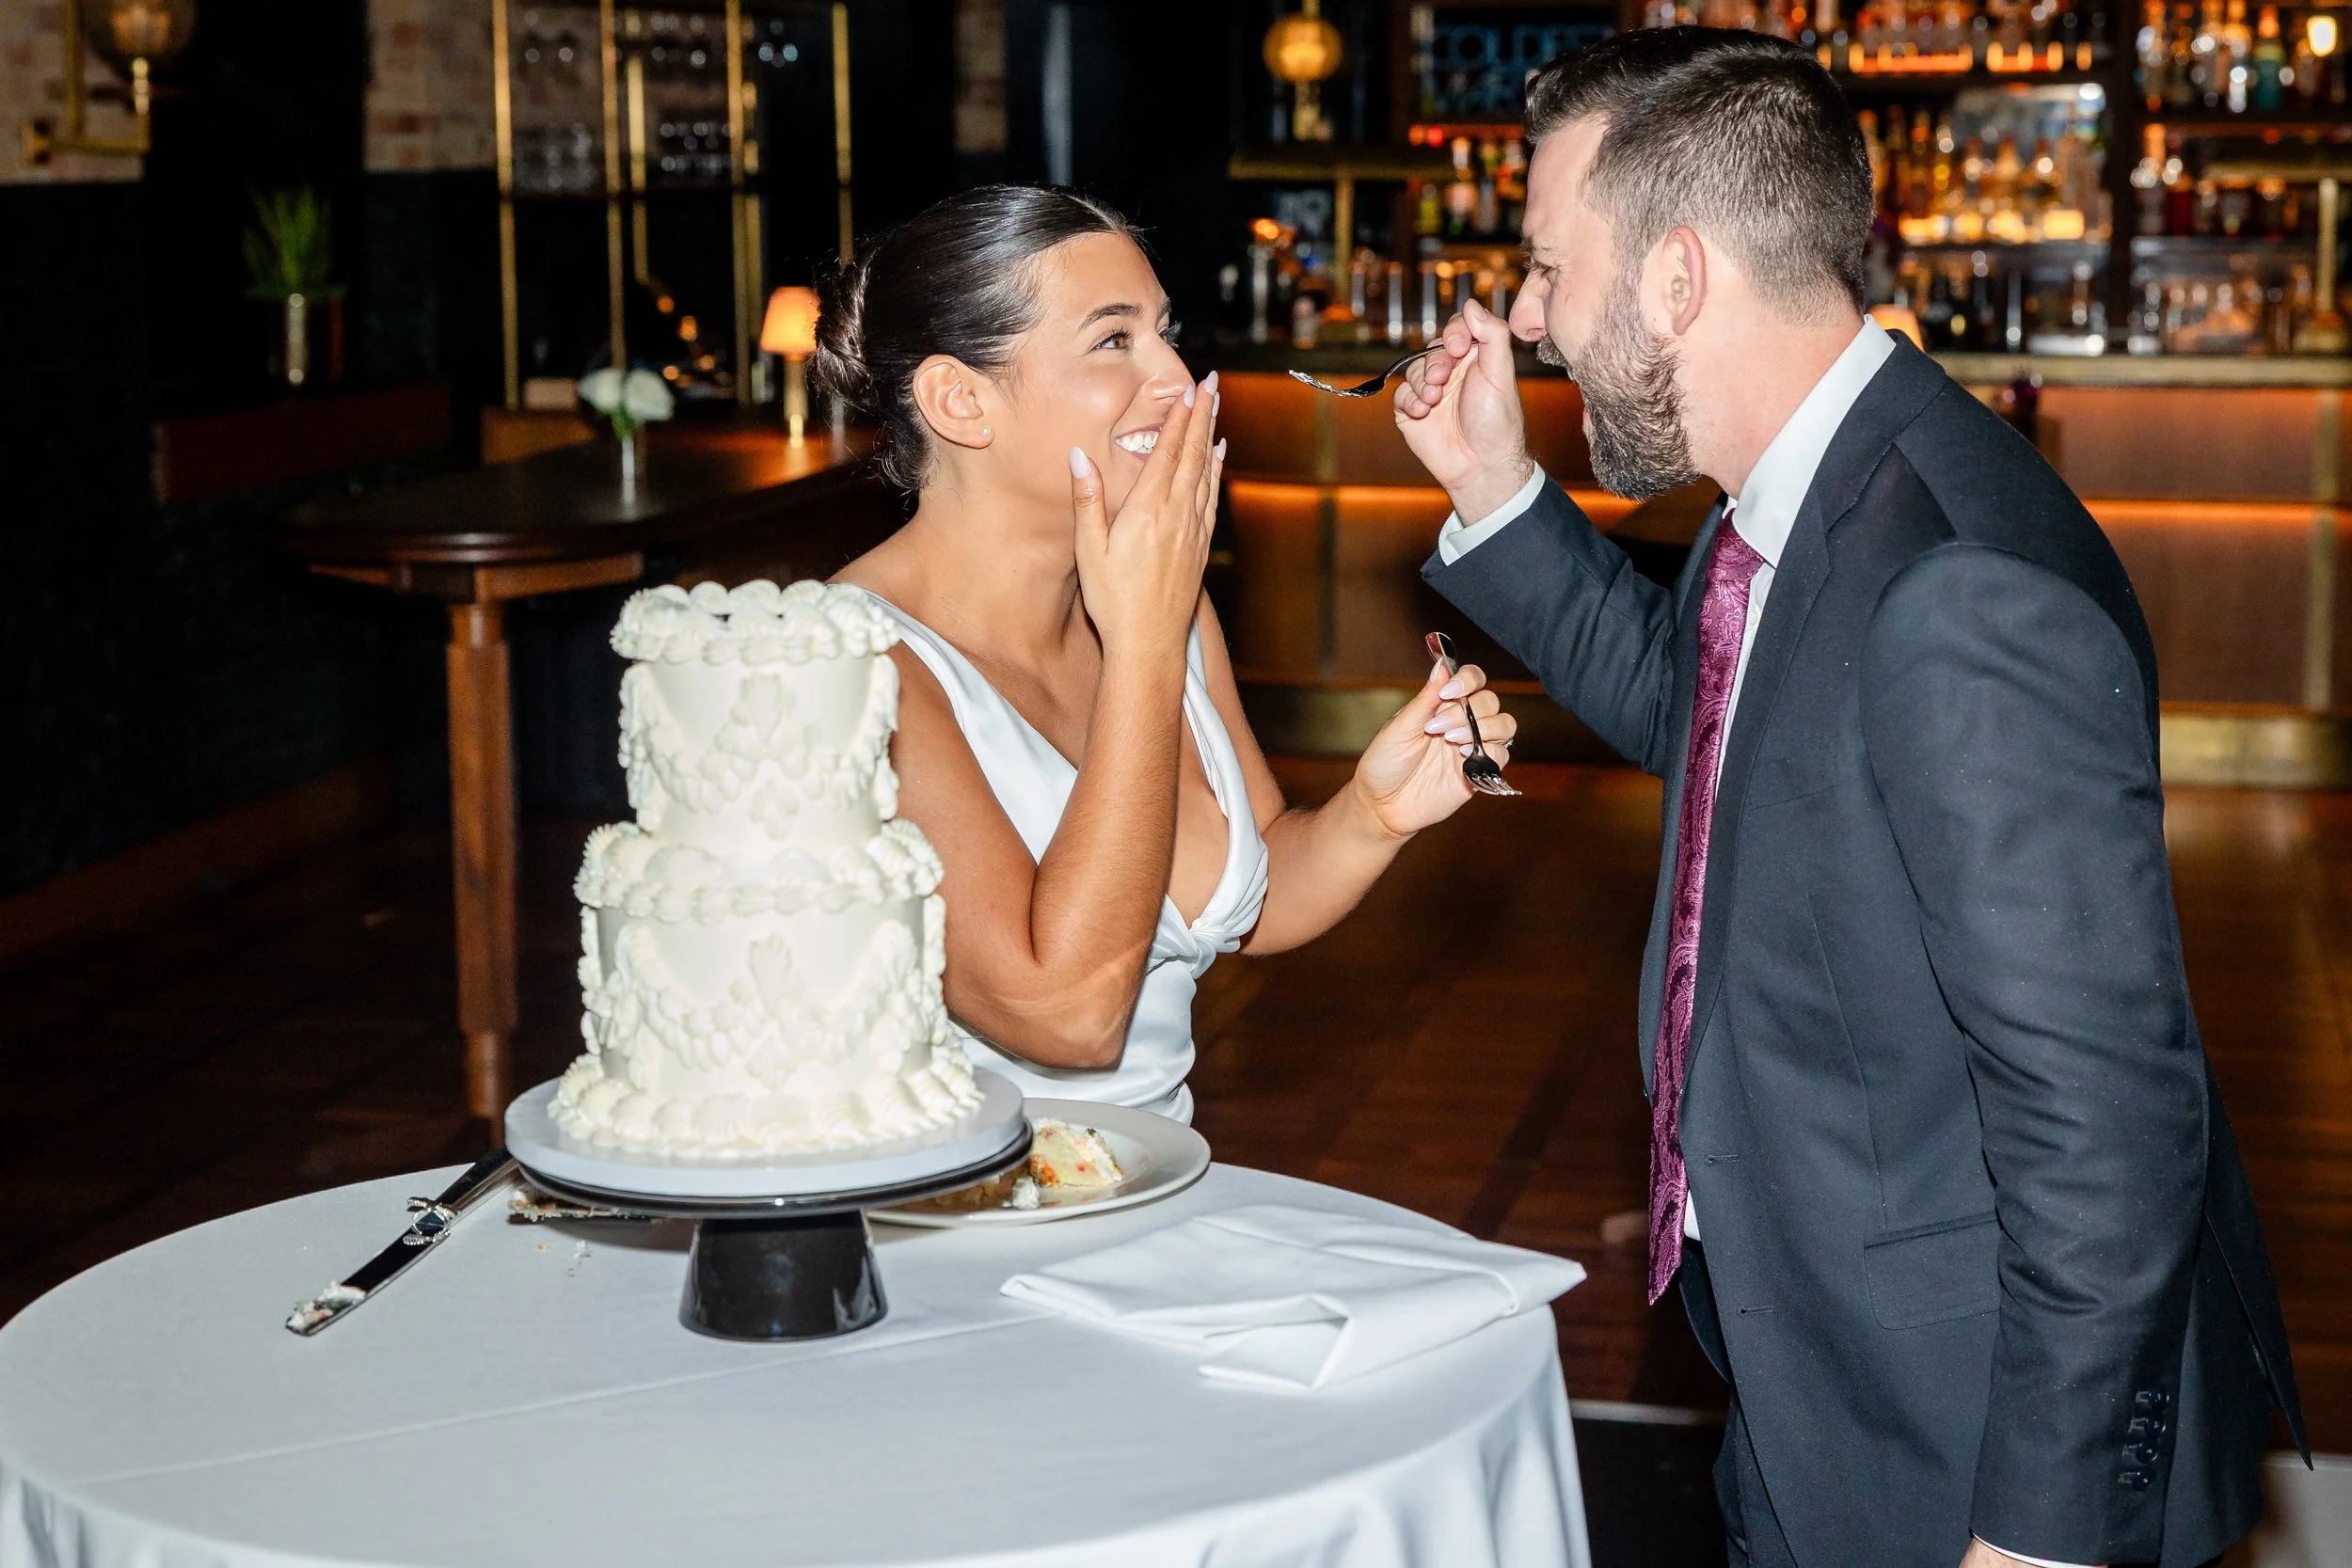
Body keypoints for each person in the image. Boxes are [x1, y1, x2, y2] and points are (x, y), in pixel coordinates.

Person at [1391, 27, 2304, 1568]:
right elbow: (1707, 719)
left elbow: (2110, 1123)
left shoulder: (1954, 582)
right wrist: (1493, 489)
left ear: (1677, 279)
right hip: (1816, 1377)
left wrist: (2047, 1536)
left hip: (1964, 1451)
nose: (1531, 319)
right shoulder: (1815, 497)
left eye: (1550, 266)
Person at [818, 185, 1512, 1123]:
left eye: (1164, 331)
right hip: (954, 1224)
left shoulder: (1163, 610)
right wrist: (1143, 645)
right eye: (1114, 340)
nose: (1179, 380)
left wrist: (1370, 815)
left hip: (1153, 1186)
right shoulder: (850, 663)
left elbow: (1252, 893)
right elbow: (1068, 1018)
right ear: (959, 400)